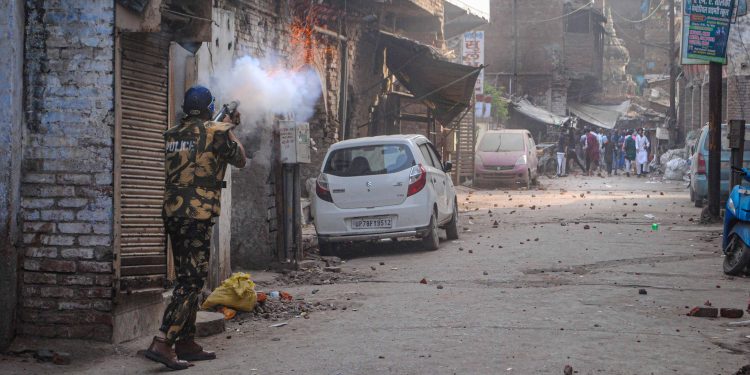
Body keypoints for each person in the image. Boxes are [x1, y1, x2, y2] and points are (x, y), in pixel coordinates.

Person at [145, 85, 247, 370]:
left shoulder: (173, 133)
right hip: (197, 214)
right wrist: (229, 127)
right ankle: (163, 342)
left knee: (185, 276)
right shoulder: (217, 132)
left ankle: (186, 343)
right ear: (208, 108)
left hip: (173, 212)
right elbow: (240, 158)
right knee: (191, 282)